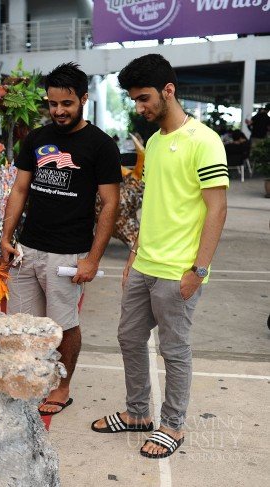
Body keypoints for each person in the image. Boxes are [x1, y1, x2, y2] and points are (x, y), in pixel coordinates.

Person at [91, 54, 228, 459]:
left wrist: (198, 270)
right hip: (144, 263)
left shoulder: (203, 140)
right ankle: (137, 415)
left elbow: (217, 209)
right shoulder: (153, 141)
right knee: (129, 337)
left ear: (169, 90)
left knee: (174, 350)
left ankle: (172, 425)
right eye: (134, 100)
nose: (139, 107)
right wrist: (134, 252)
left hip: (178, 271)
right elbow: (153, 203)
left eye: (144, 98)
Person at [1, 62, 121, 415]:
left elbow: (110, 203)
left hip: (67, 254)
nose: (58, 111)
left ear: (83, 99)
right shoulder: (36, 139)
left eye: (66, 104)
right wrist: (6, 238)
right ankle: (30, 378)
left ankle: (62, 385)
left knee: (64, 326)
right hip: (27, 248)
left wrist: (93, 259)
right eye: (53, 104)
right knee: (22, 326)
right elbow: (20, 188)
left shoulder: (100, 145)